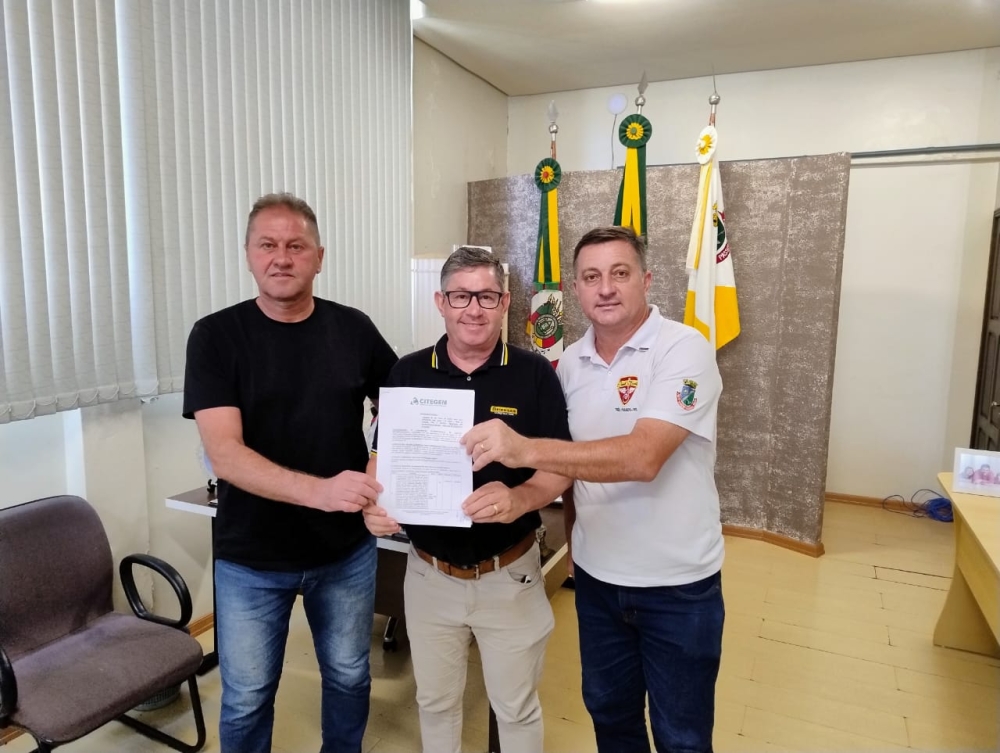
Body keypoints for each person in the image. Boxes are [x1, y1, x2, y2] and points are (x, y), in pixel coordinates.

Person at [463, 226, 725, 753]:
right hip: (599, 582)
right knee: (611, 717)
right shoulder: (567, 368)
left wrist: (524, 450)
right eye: (590, 277)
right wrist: (568, 546)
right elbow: (571, 474)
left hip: (677, 586)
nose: (605, 288)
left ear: (646, 280)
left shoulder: (684, 349)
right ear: (577, 289)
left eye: (619, 273)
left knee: (681, 735)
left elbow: (642, 457)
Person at [183, 193, 398, 753]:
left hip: (344, 554)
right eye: (268, 245)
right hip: (251, 559)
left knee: (349, 676)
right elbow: (225, 455)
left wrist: (377, 463)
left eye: (296, 246)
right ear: (249, 255)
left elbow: (403, 404)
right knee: (247, 695)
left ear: (319, 257)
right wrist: (320, 491)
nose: (282, 257)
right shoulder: (215, 337)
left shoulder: (353, 329)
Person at [362, 246, 571, 753]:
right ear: (441, 302)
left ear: (505, 303)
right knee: (435, 704)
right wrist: (374, 505)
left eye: (486, 296)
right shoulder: (407, 373)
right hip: (429, 575)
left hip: (510, 575)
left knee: (516, 708)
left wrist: (521, 498)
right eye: (460, 296)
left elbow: (560, 467)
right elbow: (381, 459)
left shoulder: (535, 373)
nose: (473, 309)